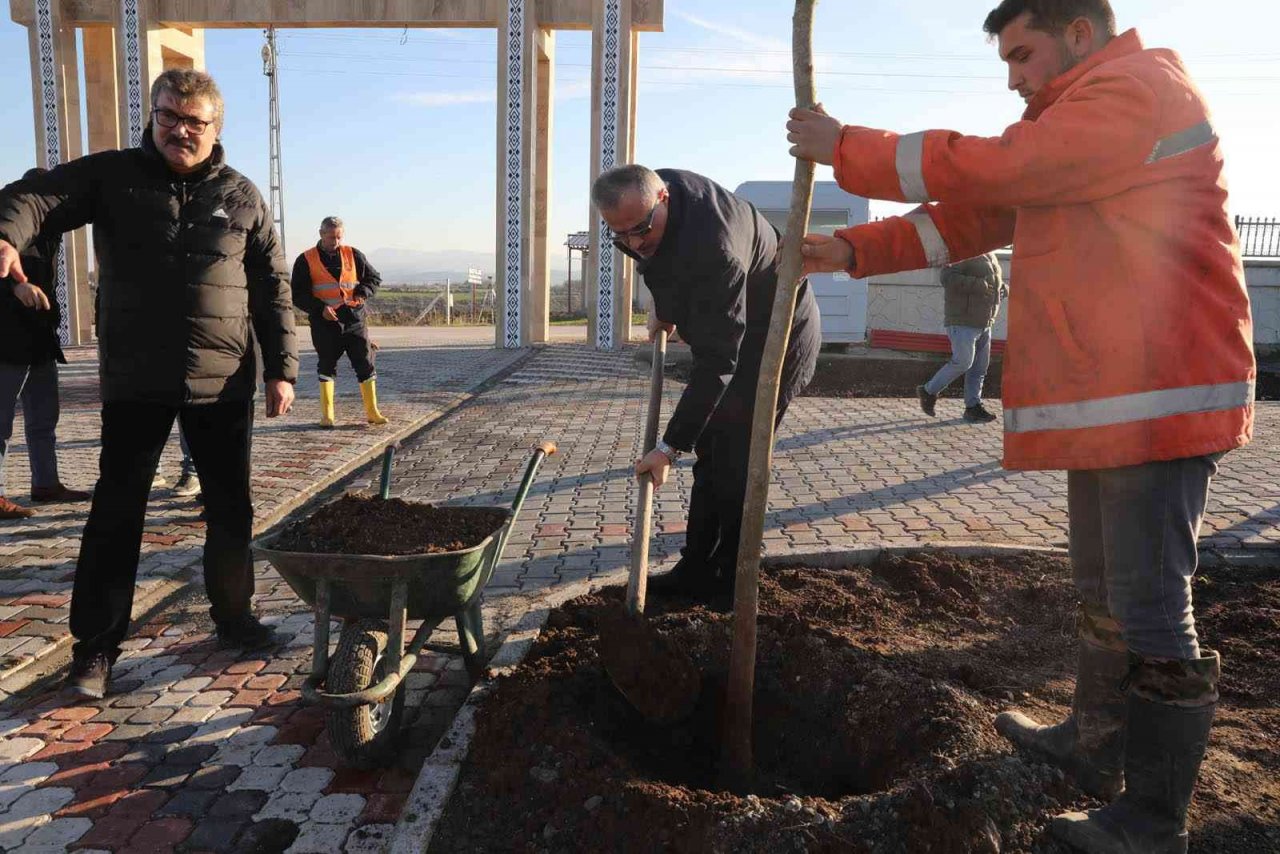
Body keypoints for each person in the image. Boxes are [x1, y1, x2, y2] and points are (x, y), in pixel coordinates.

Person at [787, 1, 1255, 850]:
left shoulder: (1136, 90)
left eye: (1022, 52)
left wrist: (848, 147)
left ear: (1080, 31)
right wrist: (851, 251)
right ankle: (1092, 746)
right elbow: (975, 217)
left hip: (1159, 394)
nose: (1013, 75)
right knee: (1103, 594)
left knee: (1150, 609)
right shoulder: (1082, 119)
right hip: (1120, 394)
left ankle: (1151, 821)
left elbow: (1004, 172)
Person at [0, 69, 300, 700]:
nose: (180, 131)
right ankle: (95, 650)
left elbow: (272, 287)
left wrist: (282, 369)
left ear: (216, 128)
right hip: (136, 379)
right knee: (116, 513)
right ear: (154, 117)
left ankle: (235, 618)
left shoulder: (242, 195)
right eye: (169, 117)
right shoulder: (112, 177)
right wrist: (6, 234)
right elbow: (38, 196)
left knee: (230, 509)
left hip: (222, 384)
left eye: (194, 122)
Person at [592, 165, 821, 602]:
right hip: (731, 325)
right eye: (620, 235)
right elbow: (657, 260)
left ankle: (730, 584)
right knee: (712, 454)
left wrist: (666, 448)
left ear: (663, 200)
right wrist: (667, 306)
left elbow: (718, 361)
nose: (635, 242)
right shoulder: (646, 204)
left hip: (775, 339)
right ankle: (696, 567)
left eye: (640, 229)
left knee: (736, 463)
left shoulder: (716, 247)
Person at [0, 168, 92, 520]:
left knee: (43, 418)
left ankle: (46, 483)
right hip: (6, 340)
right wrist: (16, 286)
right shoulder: (6, 218)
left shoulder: (48, 229)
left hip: (39, 339)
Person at [290, 216, 387, 428]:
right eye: (331, 237)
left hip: (354, 320)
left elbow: (374, 278)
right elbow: (297, 294)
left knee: (365, 362)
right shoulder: (305, 259)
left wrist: (363, 291)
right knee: (326, 365)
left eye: (339, 237)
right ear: (321, 234)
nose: (335, 241)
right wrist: (319, 309)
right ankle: (327, 416)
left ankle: (372, 412)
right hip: (325, 323)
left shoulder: (353, 254)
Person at [917, 252, 1005, 423]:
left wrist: (1001, 288)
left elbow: (991, 280)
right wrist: (980, 285)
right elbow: (948, 278)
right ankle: (928, 391)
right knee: (963, 362)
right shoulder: (961, 252)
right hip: (963, 321)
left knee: (979, 368)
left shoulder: (989, 253)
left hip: (984, 321)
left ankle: (973, 407)